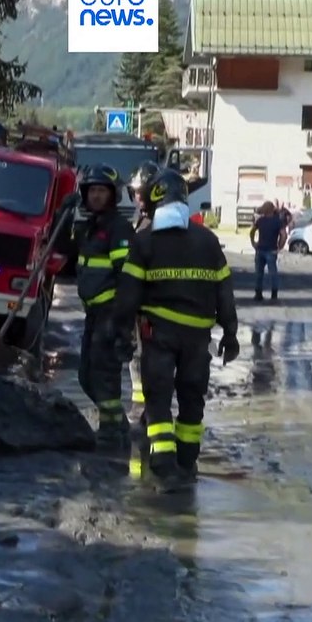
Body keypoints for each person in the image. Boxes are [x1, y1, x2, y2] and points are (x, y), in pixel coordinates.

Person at [114, 168, 239, 491]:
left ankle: (164, 466)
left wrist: (121, 331)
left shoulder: (145, 241)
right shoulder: (209, 241)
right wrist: (230, 332)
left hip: (159, 336)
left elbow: (128, 294)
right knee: (191, 401)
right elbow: (224, 290)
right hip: (198, 339)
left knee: (158, 399)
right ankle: (187, 461)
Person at [56, 164, 136, 446]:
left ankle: (112, 430)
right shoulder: (90, 228)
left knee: (103, 375)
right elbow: (63, 248)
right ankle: (115, 423)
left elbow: (128, 278)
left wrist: (124, 325)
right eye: (92, 191)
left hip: (110, 314)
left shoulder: (118, 229)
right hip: (93, 314)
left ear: (112, 195)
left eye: (102, 191)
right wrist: (62, 215)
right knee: (86, 376)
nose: (96, 196)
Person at [124, 161, 161, 423]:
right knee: (136, 354)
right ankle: (140, 405)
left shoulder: (160, 223)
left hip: (153, 305)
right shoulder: (144, 219)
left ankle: (149, 409)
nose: (137, 197)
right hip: (139, 303)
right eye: (134, 192)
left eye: (141, 192)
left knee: (149, 357)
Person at [249, 200, 286, 302]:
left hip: (260, 249)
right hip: (271, 250)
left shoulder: (260, 221)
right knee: (273, 273)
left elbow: (252, 231)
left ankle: (258, 294)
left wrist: (253, 243)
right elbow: (284, 235)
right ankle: (274, 295)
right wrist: (280, 247)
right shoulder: (278, 221)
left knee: (258, 273)